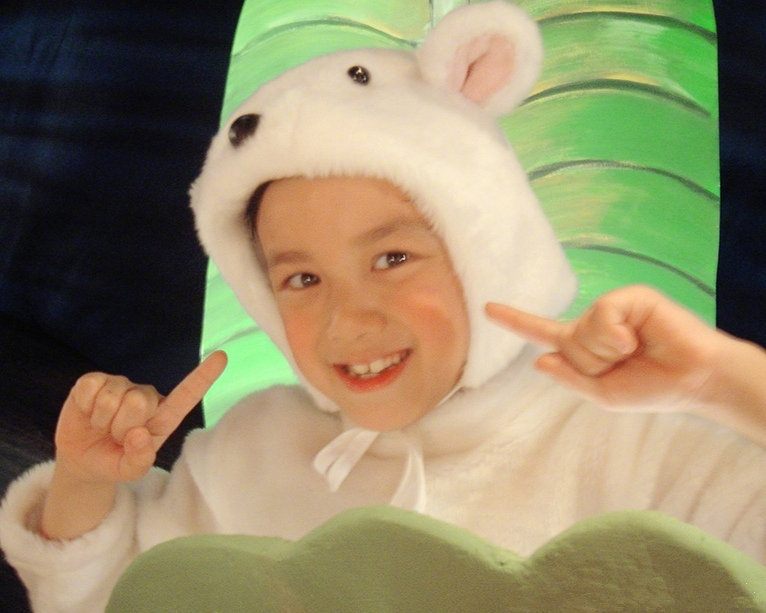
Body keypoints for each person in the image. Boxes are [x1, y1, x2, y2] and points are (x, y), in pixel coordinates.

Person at [1, 2, 765, 611]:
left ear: (485, 250)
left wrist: (718, 379)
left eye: (392, 259)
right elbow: (119, 597)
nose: (350, 320)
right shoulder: (250, 449)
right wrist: (83, 482)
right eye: (303, 279)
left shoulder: (627, 444)